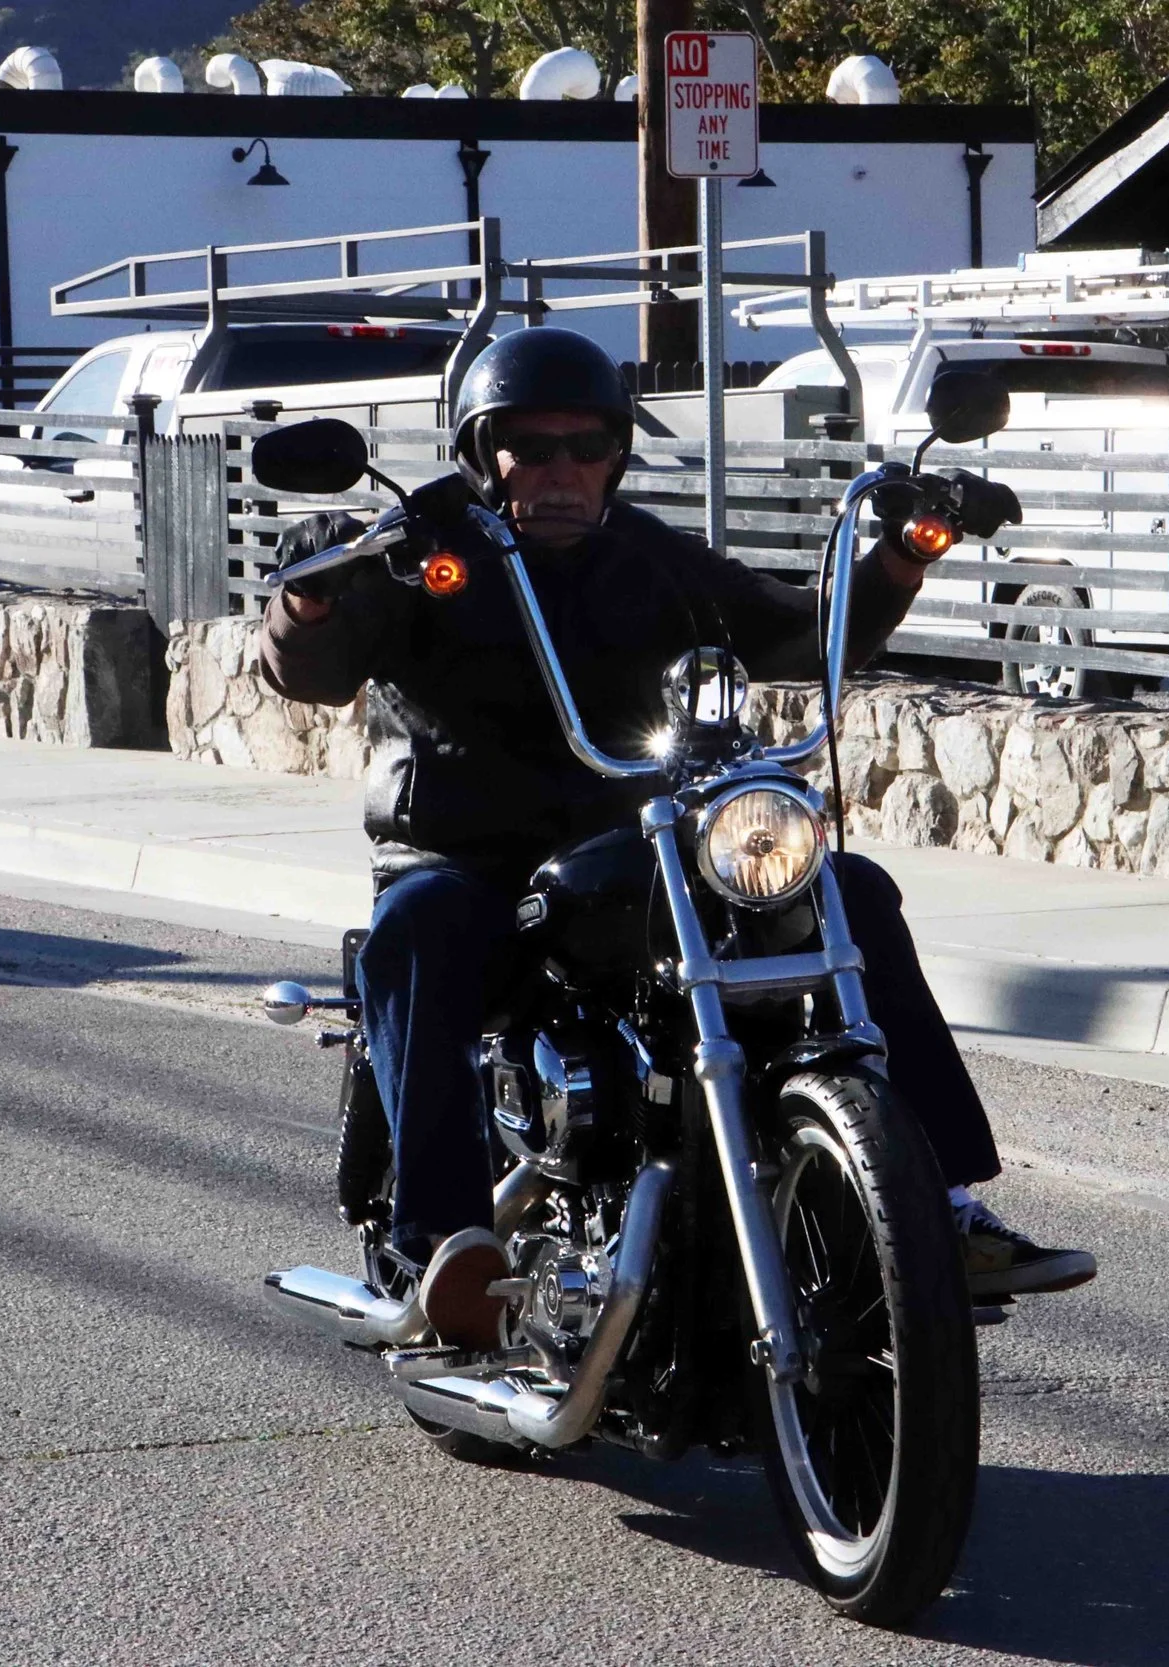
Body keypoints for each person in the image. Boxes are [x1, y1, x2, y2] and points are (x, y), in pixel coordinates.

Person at [258, 326, 1093, 1348]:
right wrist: (309, 595)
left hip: (634, 855)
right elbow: (310, 669)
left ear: (615, 455)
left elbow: (798, 632)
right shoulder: (418, 546)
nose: (562, 471)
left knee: (849, 891)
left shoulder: (645, 556)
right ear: (483, 451)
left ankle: (940, 1203)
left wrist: (902, 554)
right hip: (468, 859)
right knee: (415, 929)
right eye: (533, 447)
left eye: (586, 447)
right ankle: (448, 1242)